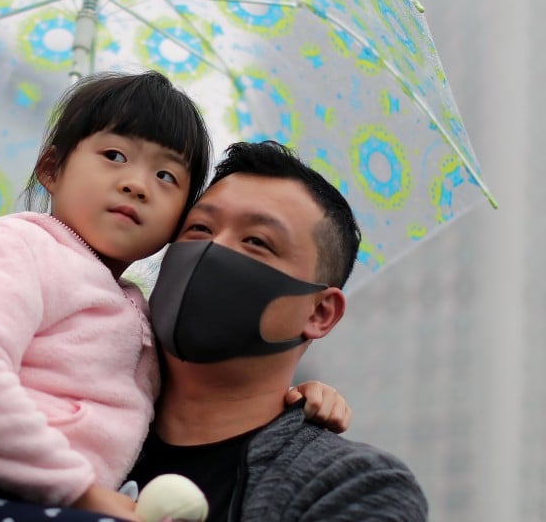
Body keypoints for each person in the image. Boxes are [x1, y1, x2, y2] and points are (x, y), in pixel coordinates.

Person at [0, 72, 348, 522]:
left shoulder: (131, 307)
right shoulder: (13, 251)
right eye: (113, 156)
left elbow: (191, 386)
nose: (135, 184)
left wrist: (301, 400)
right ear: (51, 169)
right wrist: (82, 491)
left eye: (166, 176)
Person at [127, 140, 428, 521]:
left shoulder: (355, 486)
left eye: (256, 241)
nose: (213, 248)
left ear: (319, 312)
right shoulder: (62, 421)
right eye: (199, 228)